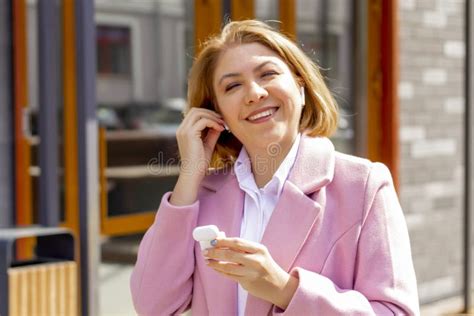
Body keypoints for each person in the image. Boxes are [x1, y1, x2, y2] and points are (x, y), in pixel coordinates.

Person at [130, 20, 420, 315]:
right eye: (232, 86)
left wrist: (285, 290)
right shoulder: (200, 196)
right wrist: (190, 176)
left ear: (301, 87)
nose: (254, 93)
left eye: (267, 74)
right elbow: (153, 306)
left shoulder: (364, 186)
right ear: (218, 115)